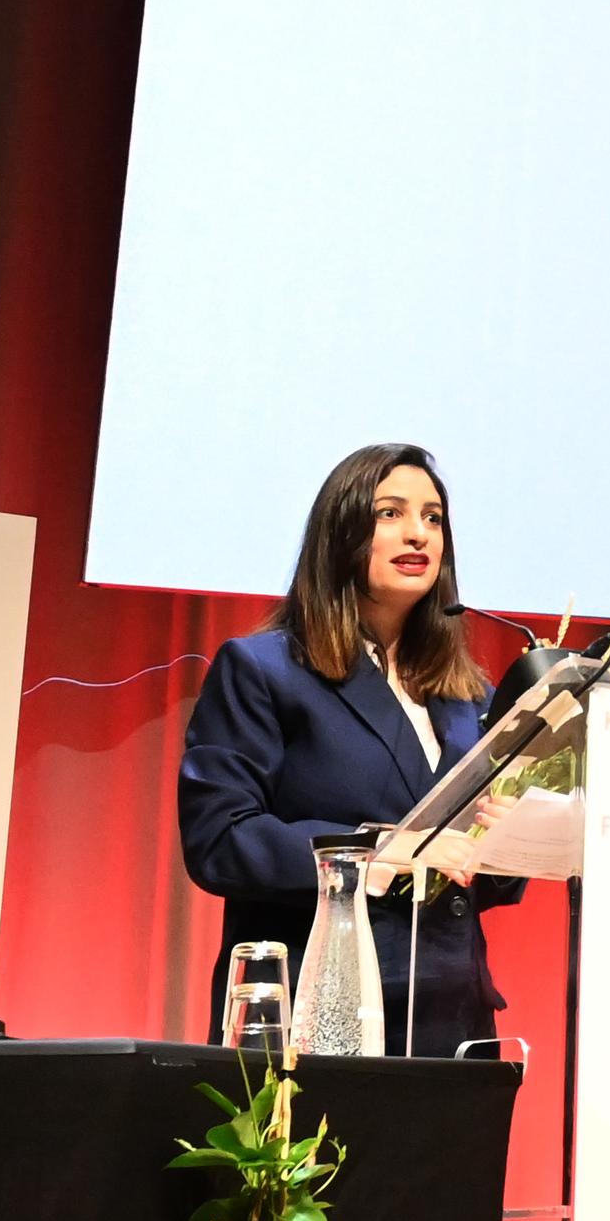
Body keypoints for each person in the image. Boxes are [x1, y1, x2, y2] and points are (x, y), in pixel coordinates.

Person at [179, 443, 525, 1059]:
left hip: (452, 1026)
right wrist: (380, 852)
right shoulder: (264, 670)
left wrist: (511, 844)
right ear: (340, 532)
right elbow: (221, 841)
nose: (418, 533)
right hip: (318, 1021)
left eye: (433, 517)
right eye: (390, 513)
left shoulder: (470, 696)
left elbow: (470, 875)